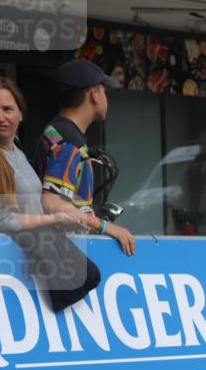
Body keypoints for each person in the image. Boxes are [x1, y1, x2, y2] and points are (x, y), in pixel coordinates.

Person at [0, 76, 87, 235]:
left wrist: (65, 218)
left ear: (20, 114)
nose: (0, 117)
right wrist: (54, 219)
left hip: (26, 249)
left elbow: (30, 212)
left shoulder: (17, 152)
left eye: (7, 109)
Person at [35, 59, 137, 254]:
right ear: (94, 94)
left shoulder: (57, 131)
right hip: (64, 252)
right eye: (105, 91)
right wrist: (107, 227)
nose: (106, 98)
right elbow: (52, 203)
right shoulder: (69, 142)